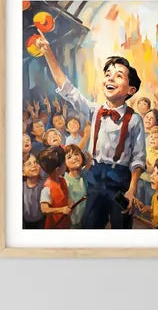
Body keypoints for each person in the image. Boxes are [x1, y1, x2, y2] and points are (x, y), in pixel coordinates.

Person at [34, 34, 145, 230]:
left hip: (119, 181)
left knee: (121, 225)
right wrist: (48, 53)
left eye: (119, 75)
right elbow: (67, 89)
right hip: (95, 178)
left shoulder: (135, 120)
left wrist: (131, 190)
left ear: (131, 89)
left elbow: (138, 158)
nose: (110, 77)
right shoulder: (94, 111)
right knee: (90, 224)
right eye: (108, 73)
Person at [37, 145, 71, 230]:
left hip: (65, 224)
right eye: (64, 163)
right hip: (54, 226)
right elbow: (44, 209)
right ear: (57, 169)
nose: (66, 165)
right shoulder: (47, 188)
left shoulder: (62, 180)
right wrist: (60, 210)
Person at [63, 144, 89, 229]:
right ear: (64, 163)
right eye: (69, 157)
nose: (74, 158)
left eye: (77, 154)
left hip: (87, 222)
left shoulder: (85, 175)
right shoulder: (65, 182)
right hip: (73, 225)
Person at [22, 154, 44, 229]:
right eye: (29, 164)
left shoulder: (44, 185)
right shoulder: (21, 188)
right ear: (22, 172)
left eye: (35, 162)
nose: (34, 165)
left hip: (42, 225)